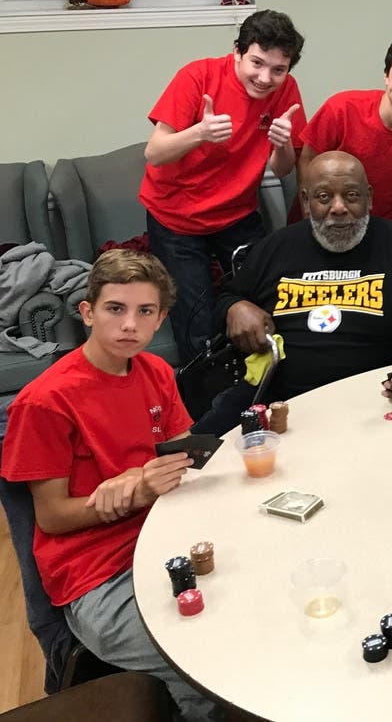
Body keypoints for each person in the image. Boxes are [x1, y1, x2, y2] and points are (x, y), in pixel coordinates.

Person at [0, 250, 215, 719]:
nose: (129, 325)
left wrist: (179, 468)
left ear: (160, 319)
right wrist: (127, 496)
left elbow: (184, 456)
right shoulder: (44, 402)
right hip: (99, 576)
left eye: (145, 312)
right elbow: (51, 517)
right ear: (87, 311)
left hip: (165, 539)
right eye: (115, 309)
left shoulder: (157, 372)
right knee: (205, 665)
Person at [193, 151, 392, 435]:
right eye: (323, 197)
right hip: (279, 400)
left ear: (369, 197)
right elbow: (225, 301)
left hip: (378, 403)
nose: (339, 207)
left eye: (352, 195)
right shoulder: (274, 248)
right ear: (306, 201)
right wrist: (236, 306)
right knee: (193, 457)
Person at [140, 9, 307, 364]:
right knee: (197, 320)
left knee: (272, 298)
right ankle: (206, 406)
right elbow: (154, 153)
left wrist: (281, 145)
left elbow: (282, 168)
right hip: (176, 218)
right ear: (238, 52)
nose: (265, 78)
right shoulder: (197, 76)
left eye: (278, 69)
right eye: (257, 63)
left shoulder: (286, 89)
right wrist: (200, 132)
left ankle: (268, 385)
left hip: (238, 213)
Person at [297, 33, 392, 248]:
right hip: (326, 221)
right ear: (386, 76)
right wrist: (310, 223)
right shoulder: (341, 109)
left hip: (387, 227)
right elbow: (307, 162)